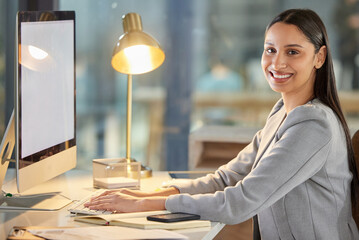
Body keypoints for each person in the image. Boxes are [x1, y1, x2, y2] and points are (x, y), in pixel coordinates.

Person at [86, 9, 359, 239]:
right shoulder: (282, 113)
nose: (277, 63)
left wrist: (145, 203)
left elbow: (239, 203)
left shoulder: (314, 124)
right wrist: (162, 191)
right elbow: (227, 178)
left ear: (319, 57)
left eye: (293, 52)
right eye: (270, 50)